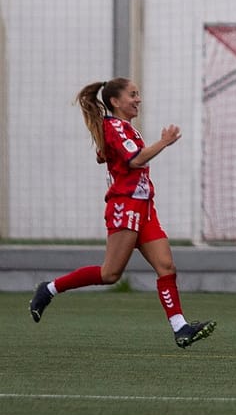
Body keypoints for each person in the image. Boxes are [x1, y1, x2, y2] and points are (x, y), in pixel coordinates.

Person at [29, 78, 216, 349]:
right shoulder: (114, 125)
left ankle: (181, 328)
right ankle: (49, 289)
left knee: (166, 267)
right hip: (125, 206)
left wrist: (107, 155)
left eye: (138, 94)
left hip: (144, 207)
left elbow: (116, 156)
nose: (138, 99)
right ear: (115, 101)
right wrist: (163, 142)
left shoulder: (123, 128)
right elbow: (135, 159)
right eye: (132, 94)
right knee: (110, 274)